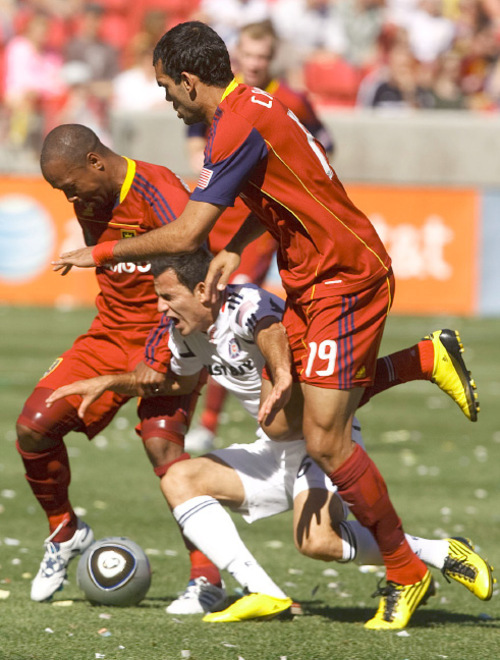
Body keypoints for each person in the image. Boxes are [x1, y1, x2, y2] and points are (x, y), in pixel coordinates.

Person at [53, 21, 481, 630]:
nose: (167, 101)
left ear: (190, 80)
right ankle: (422, 362)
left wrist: (95, 253)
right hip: (316, 275)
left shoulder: (235, 126)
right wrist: (245, 242)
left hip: (344, 279)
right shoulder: (254, 109)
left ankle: (407, 573)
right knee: (304, 417)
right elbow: (288, 188)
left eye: (167, 88)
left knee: (327, 440)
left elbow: (186, 233)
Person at [47, 249, 492, 623]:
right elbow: (177, 384)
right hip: (276, 446)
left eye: (167, 297)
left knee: (316, 539)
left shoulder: (242, 303)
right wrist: (108, 382)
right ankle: (263, 592)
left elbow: (273, 330)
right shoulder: (183, 333)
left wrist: (280, 374)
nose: (161, 307)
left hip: (321, 440)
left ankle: (439, 552)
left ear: (203, 291)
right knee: (179, 478)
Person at [16, 124, 222, 607]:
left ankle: (207, 581)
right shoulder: (87, 193)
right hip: (107, 336)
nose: (68, 198)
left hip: (166, 333)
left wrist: (165, 344)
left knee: (163, 448)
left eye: (69, 186)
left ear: (96, 163)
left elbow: (194, 255)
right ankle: (65, 531)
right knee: (32, 427)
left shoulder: (159, 190)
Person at [185, 19, 335, 453]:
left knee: (229, 306)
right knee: (200, 310)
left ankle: (213, 421)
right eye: (247, 56)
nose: (254, 64)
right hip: (216, 213)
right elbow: (197, 142)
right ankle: (212, 414)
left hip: (258, 223)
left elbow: (322, 143)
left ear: (272, 59)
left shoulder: (286, 100)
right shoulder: (220, 97)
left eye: (262, 57)